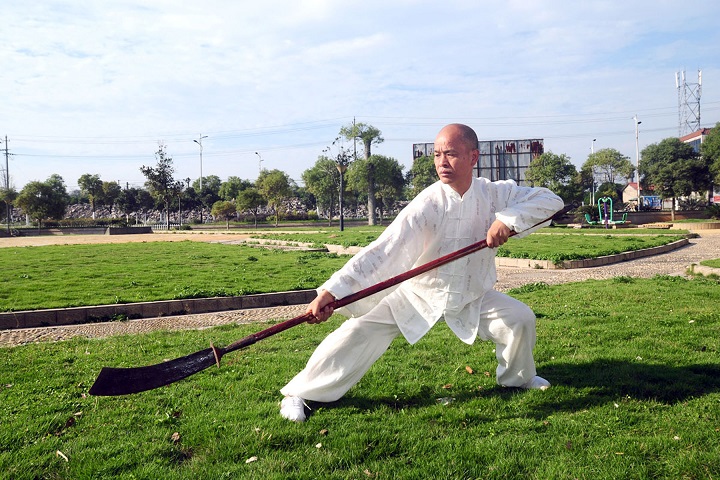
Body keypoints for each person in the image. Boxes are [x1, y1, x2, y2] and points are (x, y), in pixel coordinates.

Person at [280, 123, 564, 422]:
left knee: (519, 318)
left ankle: (518, 379)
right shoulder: (427, 203)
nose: (442, 162)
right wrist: (332, 292)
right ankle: (300, 393)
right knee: (357, 331)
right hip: (418, 292)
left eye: (451, 154)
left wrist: (509, 220)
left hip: (472, 292)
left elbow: (550, 200)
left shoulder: (496, 194)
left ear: (473, 157)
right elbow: (384, 250)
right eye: (438, 154)